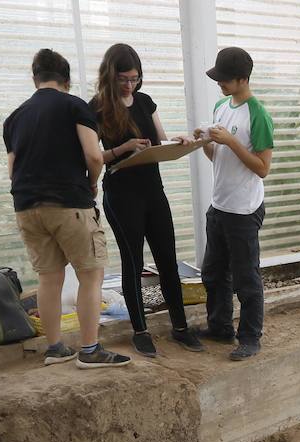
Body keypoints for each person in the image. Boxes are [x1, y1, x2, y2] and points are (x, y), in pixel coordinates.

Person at [3, 49, 129, 369]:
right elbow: (95, 156)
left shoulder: (14, 118)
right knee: (91, 276)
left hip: (27, 207)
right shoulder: (75, 106)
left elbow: (12, 169)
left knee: (49, 278)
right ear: (67, 80)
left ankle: (55, 347)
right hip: (68, 202)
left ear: (35, 79)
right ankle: (90, 349)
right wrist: (92, 182)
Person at [91, 44, 205, 357]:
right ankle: (140, 331)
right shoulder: (97, 108)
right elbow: (90, 156)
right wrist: (123, 148)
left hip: (153, 190)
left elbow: (160, 142)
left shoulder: (145, 101)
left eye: (135, 78)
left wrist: (179, 141)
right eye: (123, 79)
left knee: (168, 259)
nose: (130, 85)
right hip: (121, 193)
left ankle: (180, 327)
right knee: (134, 262)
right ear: (110, 76)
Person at [193, 47, 275, 361]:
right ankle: (220, 327)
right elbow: (217, 158)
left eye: (225, 79)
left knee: (246, 277)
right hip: (220, 205)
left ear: (243, 79)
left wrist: (231, 141)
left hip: (244, 210)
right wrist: (205, 142)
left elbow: (262, 168)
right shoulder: (220, 106)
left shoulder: (258, 114)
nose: (220, 84)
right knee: (213, 272)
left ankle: (251, 337)